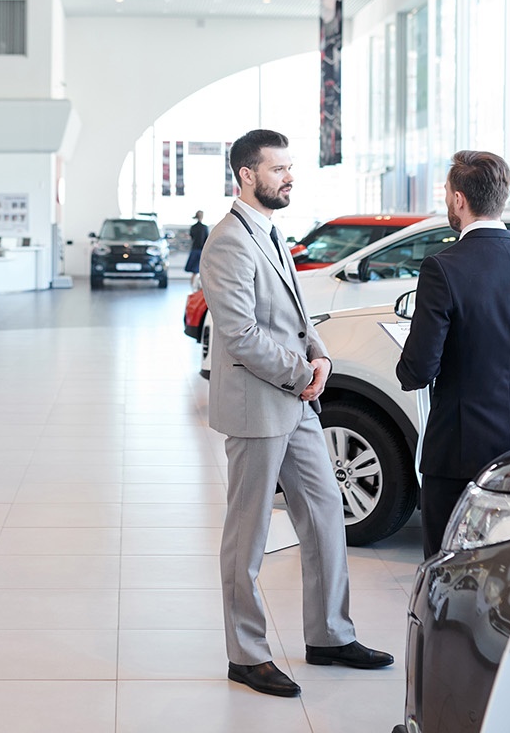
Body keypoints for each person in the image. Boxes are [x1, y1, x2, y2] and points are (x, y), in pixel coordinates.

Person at [199, 128, 392, 699]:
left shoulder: (270, 230)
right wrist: (302, 372)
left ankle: (330, 635)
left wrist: (320, 355)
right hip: (258, 406)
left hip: (296, 401)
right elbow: (240, 335)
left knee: (326, 512)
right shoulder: (227, 241)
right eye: (278, 168)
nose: (289, 177)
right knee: (248, 535)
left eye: (289, 167)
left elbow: (296, 315)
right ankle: (246, 654)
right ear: (246, 175)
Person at [395, 150, 510, 558]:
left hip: (459, 451)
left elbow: (418, 369)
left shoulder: (442, 268)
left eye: (446, 193)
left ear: (459, 200)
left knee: (449, 564)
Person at [185, 210, 209, 289]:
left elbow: (192, 237)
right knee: (202, 271)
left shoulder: (193, 227)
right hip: (202, 251)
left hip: (194, 250)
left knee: (194, 272)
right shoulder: (204, 227)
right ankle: (200, 289)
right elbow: (207, 239)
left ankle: (193, 288)